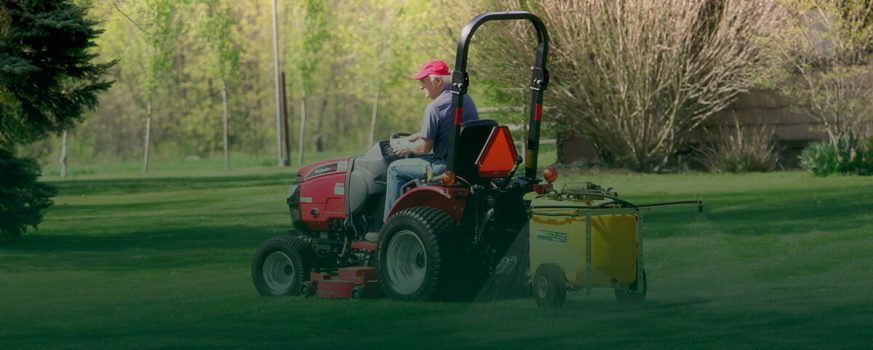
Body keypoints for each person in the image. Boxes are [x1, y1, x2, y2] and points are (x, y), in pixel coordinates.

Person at [381, 59, 479, 225]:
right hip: (465, 164)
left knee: (394, 169)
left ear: (437, 80)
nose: (420, 86)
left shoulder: (434, 107)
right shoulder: (464, 99)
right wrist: (409, 138)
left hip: (443, 165)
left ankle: (388, 225)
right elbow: (443, 130)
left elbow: (425, 148)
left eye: (423, 81)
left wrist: (405, 147)